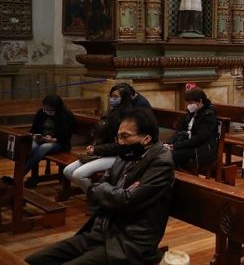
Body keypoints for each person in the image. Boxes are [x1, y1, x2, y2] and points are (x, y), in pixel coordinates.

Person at [25, 108, 174, 265]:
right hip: (99, 232)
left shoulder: (160, 162)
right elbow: (95, 187)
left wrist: (114, 193)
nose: (120, 142)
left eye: (126, 137)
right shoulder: (127, 154)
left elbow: (127, 200)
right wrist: (117, 193)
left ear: (146, 139)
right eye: (118, 137)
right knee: (33, 260)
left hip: (128, 242)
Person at [63, 84, 140, 192]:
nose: (111, 99)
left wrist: (96, 149)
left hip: (119, 156)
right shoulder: (111, 113)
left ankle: (98, 199)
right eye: (111, 96)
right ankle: (97, 196)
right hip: (102, 151)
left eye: (115, 97)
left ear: (124, 98)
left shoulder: (127, 117)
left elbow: (121, 145)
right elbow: (102, 136)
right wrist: (93, 145)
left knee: (78, 175)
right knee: (68, 171)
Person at [24, 95, 75, 187]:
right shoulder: (41, 113)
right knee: (32, 147)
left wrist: (53, 139)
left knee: (44, 147)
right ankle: (24, 173)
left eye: (51, 110)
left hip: (59, 143)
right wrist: (35, 136)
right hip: (42, 139)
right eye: (46, 109)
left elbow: (67, 137)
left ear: (57, 108)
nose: (48, 112)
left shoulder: (66, 116)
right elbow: (33, 129)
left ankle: (21, 174)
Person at [165, 87, 218, 169]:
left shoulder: (209, 115)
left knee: (171, 156)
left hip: (202, 149)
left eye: (190, 103)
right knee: (164, 152)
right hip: (190, 144)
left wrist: (176, 146)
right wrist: (170, 143)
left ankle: (173, 179)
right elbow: (180, 130)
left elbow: (199, 139)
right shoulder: (191, 113)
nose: (189, 106)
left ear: (200, 101)